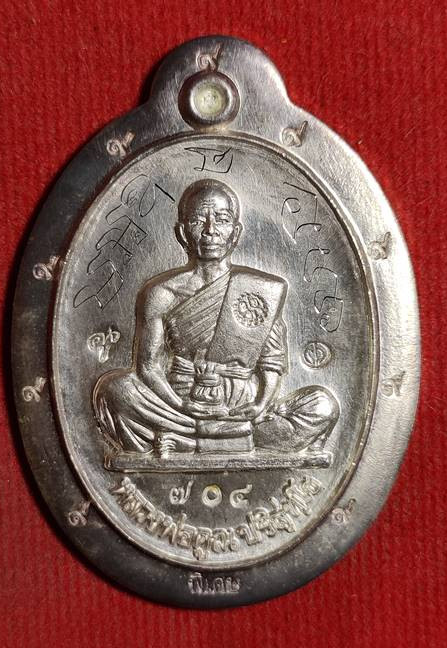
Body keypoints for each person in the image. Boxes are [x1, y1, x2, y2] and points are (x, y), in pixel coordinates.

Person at [94, 179, 338, 458]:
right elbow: (149, 367)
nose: (210, 230)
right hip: (181, 402)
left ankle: (189, 442)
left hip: (241, 406)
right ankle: (227, 439)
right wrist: (182, 405)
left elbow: (271, 362)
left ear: (235, 232)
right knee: (116, 391)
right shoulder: (161, 293)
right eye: (198, 221)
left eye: (222, 220)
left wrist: (260, 405)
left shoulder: (259, 289)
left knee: (322, 406)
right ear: (183, 233)